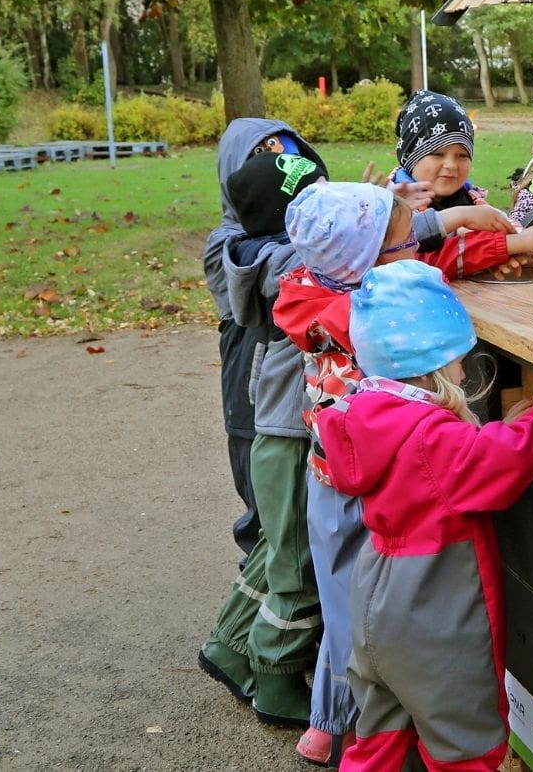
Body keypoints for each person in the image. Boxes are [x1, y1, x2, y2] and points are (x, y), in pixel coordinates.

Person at [317, 260, 533, 771]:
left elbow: (452, 460)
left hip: (373, 599)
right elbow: (498, 463)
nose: (465, 369)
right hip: (433, 610)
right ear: (434, 365)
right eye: (459, 360)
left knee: (377, 741)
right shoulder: (435, 439)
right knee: (464, 747)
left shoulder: (370, 417)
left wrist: (505, 423)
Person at [273, 182, 421, 766]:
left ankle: (326, 721)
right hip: (364, 486)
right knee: (363, 613)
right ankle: (350, 728)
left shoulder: (316, 287)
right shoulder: (366, 317)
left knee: (344, 605)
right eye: (404, 245)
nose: (417, 253)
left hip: (327, 477)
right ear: (364, 264)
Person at [198, 124, 328, 727]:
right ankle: (275, 668)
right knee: (279, 537)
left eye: (289, 151)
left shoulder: (275, 239)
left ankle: (232, 643)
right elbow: (311, 258)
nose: (282, 162)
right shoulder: (241, 245)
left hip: (280, 399)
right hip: (261, 400)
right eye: (265, 156)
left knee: (282, 540)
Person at [391, 89, 533, 276]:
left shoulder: (472, 198)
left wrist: (524, 251)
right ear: (410, 157)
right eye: (437, 154)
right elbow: (414, 248)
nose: (451, 165)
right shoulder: (390, 203)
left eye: (462, 155)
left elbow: (504, 226)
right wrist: (514, 244)